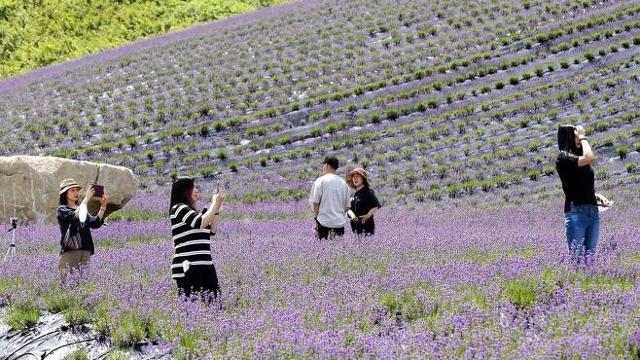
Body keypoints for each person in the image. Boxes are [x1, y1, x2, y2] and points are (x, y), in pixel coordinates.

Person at [556, 125, 610, 260]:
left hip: (593, 212)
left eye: (579, 136)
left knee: (589, 260)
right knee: (577, 261)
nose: (579, 138)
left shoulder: (579, 159)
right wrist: (583, 136)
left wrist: (596, 197)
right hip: (576, 213)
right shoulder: (563, 158)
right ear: (568, 138)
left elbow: (579, 185)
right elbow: (589, 156)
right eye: (576, 136)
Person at [169, 177, 224, 303]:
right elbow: (200, 222)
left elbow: (212, 230)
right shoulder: (178, 209)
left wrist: (216, 208)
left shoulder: (195, 213)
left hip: (206, 266)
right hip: (188, 266)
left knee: (216, 306)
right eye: (194, 187)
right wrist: (214, 205)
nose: (197, 190)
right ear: (184, 190)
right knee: (190, 308)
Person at [57, 179, 108, 278]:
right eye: (72, 190)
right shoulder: (62, 209)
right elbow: (74, 217)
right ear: (65, 194)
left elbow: (94, 223)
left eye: (77, 190)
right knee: (66, 282)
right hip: (71, 250)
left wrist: (103, 207)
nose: (76, 192)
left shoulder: (80, 208)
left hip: (85, 250)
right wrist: (86, 199)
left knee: (82, 282)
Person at [309, 156, 351, 240]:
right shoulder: (344, 183)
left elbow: (315, 203)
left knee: (323, 251)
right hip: (339, 224)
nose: (322, 167)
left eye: (323, 165)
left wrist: (316, 219)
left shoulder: (320, 181)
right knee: (338, 251)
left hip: (323, 223)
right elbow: (347, 207)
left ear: (327, 165)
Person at [346, 168, 382, 236]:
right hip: (355, 227)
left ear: (363, 179)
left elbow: (375, 206)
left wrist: (366, 217)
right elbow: (348, 209)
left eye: (357, 177)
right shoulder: (353, 195)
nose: (355, 179)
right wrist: (352, 216)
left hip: (366, 226)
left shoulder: (368, 192)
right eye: (354, 177)